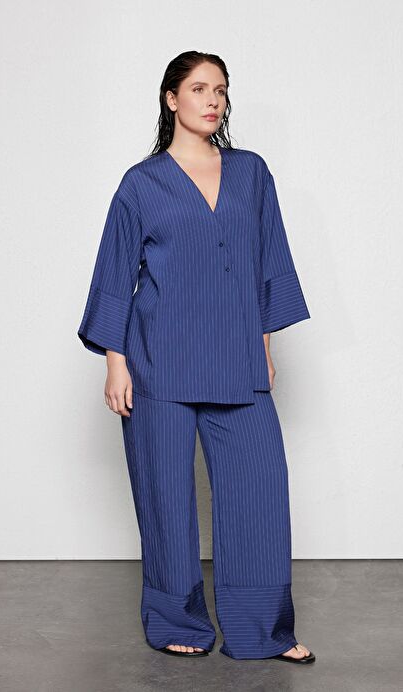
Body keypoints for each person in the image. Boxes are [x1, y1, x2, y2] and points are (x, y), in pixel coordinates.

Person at [77, 50, 315, 664]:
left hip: (236, 356)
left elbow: (269, 260)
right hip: (157, 360)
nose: (213, 100)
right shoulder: (141, 183)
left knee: (258, 495)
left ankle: (262, 629)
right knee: (166, 500)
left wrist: (264, 347)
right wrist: (115, 362)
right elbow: (115, 274)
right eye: (200, 88)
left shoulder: (251, 172)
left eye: (221, 90)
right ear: (171, 98)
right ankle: (176, 620)